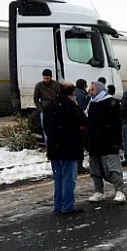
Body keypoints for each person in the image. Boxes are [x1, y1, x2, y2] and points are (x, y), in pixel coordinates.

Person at [43, 83, 87, 214]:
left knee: (58, 178)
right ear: (72, 93)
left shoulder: (50, 105)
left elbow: (45, 125)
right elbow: (83, 121)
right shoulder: (71, 106)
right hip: (69, 147)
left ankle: (58, 205)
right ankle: (68, 206)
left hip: (54, 147)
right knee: (68, 178)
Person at [86, 82, 126, 204]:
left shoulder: (111, 103)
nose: (90, 92)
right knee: (95, 169)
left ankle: (119, 191)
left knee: (112, 167)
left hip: (108, 142)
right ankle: (98, 191)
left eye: (92, 89)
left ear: (99, 90)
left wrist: (117, 142)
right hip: (94, 142)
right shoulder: (92, 104)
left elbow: (116, 125)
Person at [33, 69, 61, 144]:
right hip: (44, 109)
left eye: (47, 78)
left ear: (51, 77)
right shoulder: (39, 85)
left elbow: (61, 96)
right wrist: (40, 110)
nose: (46, 80)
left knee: (56, 127)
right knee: (44, 127)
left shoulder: (57, 84)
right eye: (44, 78)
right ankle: (47, 144)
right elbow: (36, 99)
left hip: (55, 108)